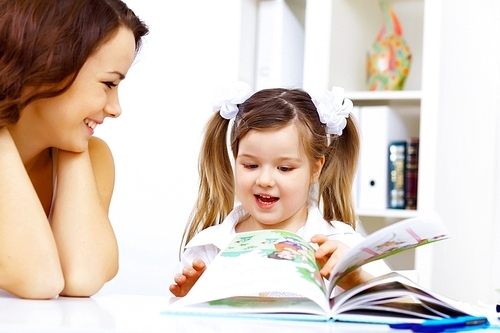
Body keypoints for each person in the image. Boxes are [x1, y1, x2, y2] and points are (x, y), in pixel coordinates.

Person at [169, 81, 391, 297]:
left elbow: (408, 308)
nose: (265, 180)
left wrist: (358, 279)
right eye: (251, 165)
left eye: (284, 168)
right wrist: (190, 302)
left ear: (315, 169)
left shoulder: (343, 245)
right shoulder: (208, 248)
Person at [0, 0, 148, 299]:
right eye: (108, 83)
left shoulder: (92, 157)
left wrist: (72, 141)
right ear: (47, 65)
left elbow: (82, 276)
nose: (116, 108)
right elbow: (37, 279)